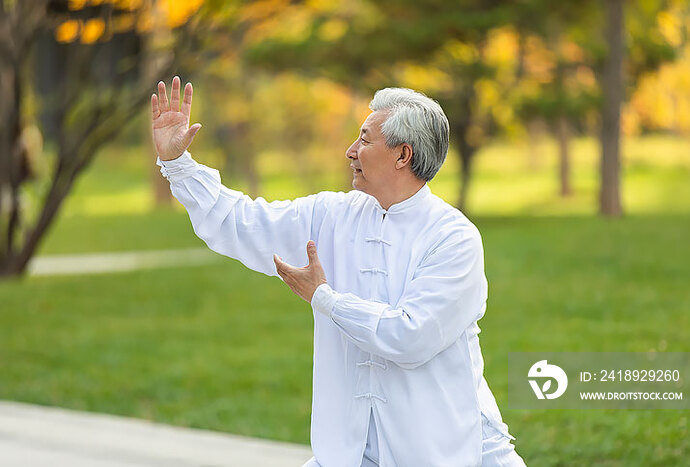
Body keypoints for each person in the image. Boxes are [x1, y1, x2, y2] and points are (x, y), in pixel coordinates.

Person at [151, 77, 526, 467]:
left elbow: (411, 337)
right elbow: (241, 222)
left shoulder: (453, 238)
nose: (350, 151)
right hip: (348, 453)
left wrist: (325, 299)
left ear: (403, 155)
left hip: (447, 449)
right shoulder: (330, 215)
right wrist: (179, 164)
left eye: (364, 140)